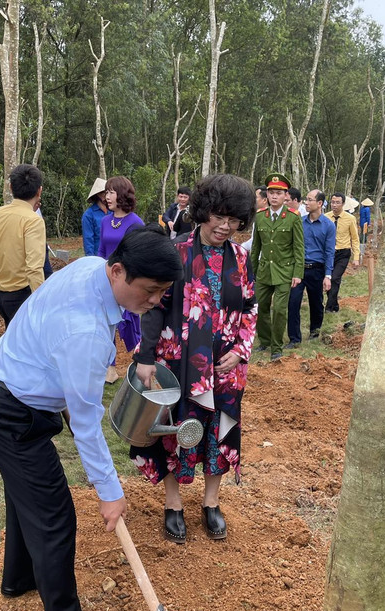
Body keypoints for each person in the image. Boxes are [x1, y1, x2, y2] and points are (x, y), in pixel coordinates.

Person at [0, 227, 184, 611]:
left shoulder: (92, 267)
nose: (154, 301)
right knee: (54, 517)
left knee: (25, 496)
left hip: (9, 393)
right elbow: (85, 424)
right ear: (119, 270)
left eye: (163, 292)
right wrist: (110, 493)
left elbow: (76, 405)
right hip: (12, 412)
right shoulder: (85, 331)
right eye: (149, 291)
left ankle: (19, 579)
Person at [131, 175, 257, 544]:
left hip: (225, 369)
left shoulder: (243, 258)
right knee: (173, 430)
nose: (225, 227)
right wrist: (147, 356)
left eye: (234, 220)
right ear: (203, 211)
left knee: (221, 430)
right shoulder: (175, 251)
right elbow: (154, 307)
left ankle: (211, 502)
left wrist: (240, 350)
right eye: (219, 216)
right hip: (179, 362)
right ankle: (173, 504)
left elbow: (250, 307)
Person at [251, 172, 304, 361]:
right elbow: (256, 247)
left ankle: (276, 347)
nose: (274, 196)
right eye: (271, 192)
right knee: (260, 307)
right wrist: (252, 272)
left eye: (278, 193)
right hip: (264, 271)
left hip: (284, 272)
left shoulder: (293, 217)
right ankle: (264, 341)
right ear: (267, 195)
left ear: (285, 196)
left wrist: (298, 273)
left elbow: (299, 247)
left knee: (280, 310)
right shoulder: (260, 217)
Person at [0, 164, 47, 327]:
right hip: (23, 296)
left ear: (10, 187)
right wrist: (41, 303)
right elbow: (34, 268)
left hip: (2, 295)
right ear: (39, 191)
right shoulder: (33, 221)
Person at [99, 176, 145, 356]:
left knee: (128, 323)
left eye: (111, 192)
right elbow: (101, 251)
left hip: (126, 280)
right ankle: (109, 367)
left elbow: (137, 256)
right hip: (106, 278)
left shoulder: (136, 223)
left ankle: (138, 359)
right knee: (106, 322)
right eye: (106, 192)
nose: (107, 197)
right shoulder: (105, 221)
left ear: (123, 194)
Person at [287, 189, 334, 346]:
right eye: (306, 199)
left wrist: (328, 275)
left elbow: (329, 252)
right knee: (293, 302)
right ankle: (294, 338)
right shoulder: (299, 222)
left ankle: (314, 332)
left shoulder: (328, 226)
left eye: (310, 199)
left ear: (319, 203)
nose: (306, 202)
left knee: (316, 303)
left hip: (317, 269)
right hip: (298, 269)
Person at [324, 193, 359, 313]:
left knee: (335, 278)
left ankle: (328, 307)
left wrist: (356, 257)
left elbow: (355, 238)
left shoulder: (350, 219)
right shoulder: (325, 217)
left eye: (337, 202)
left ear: (343, 204)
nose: (334, 205)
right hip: (328, 253)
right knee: (328, 278)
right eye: (332, 202)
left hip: (343, 253)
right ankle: (334, 305)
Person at [81, 178, 109, 257]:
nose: (106, 195)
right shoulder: (89, 215)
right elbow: (88, 240)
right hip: (98, 257)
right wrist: (91, 261)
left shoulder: (113, 212)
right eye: (103, 192)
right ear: (98, 194)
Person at [241, 186, 267, 252]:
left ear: (264, 200)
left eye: (256, 198)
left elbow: (254, 242)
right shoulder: (258, 216)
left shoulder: (263, 218)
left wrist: (240, 248)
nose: (253, 201)